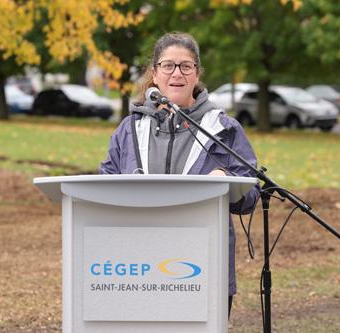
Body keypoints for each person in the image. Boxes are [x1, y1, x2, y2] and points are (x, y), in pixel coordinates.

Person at [100, 32, 260, 317]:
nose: (177, 73)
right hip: (137, 269)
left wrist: (226, 179)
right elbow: (103, 188)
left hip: (202, 268)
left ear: (197, 74)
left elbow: (249, 197)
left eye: (186, 66)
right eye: (168, 65)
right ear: (155, 73)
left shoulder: (223, 129)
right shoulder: (129, 130)